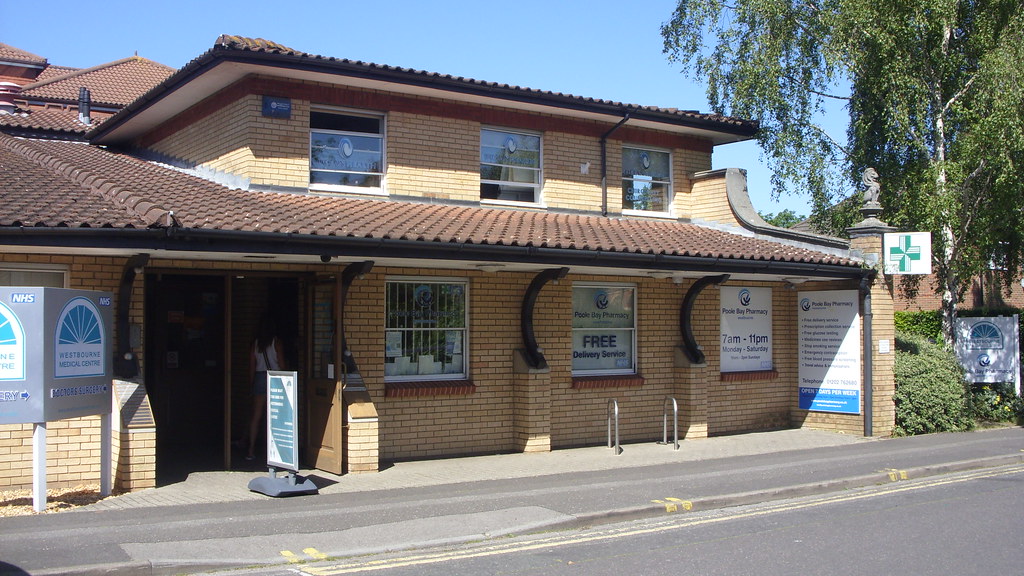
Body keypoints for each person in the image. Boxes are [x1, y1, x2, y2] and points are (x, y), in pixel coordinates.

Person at [247, 315, 285, 461]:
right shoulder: (276, 342)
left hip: (259, 377)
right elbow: (281, 364)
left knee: (256, 416)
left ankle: (250, 450)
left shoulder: (256, 343)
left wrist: (251, 385)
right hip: (274, 378)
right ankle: (274, 451)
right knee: (275, 416)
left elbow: (252, 366)